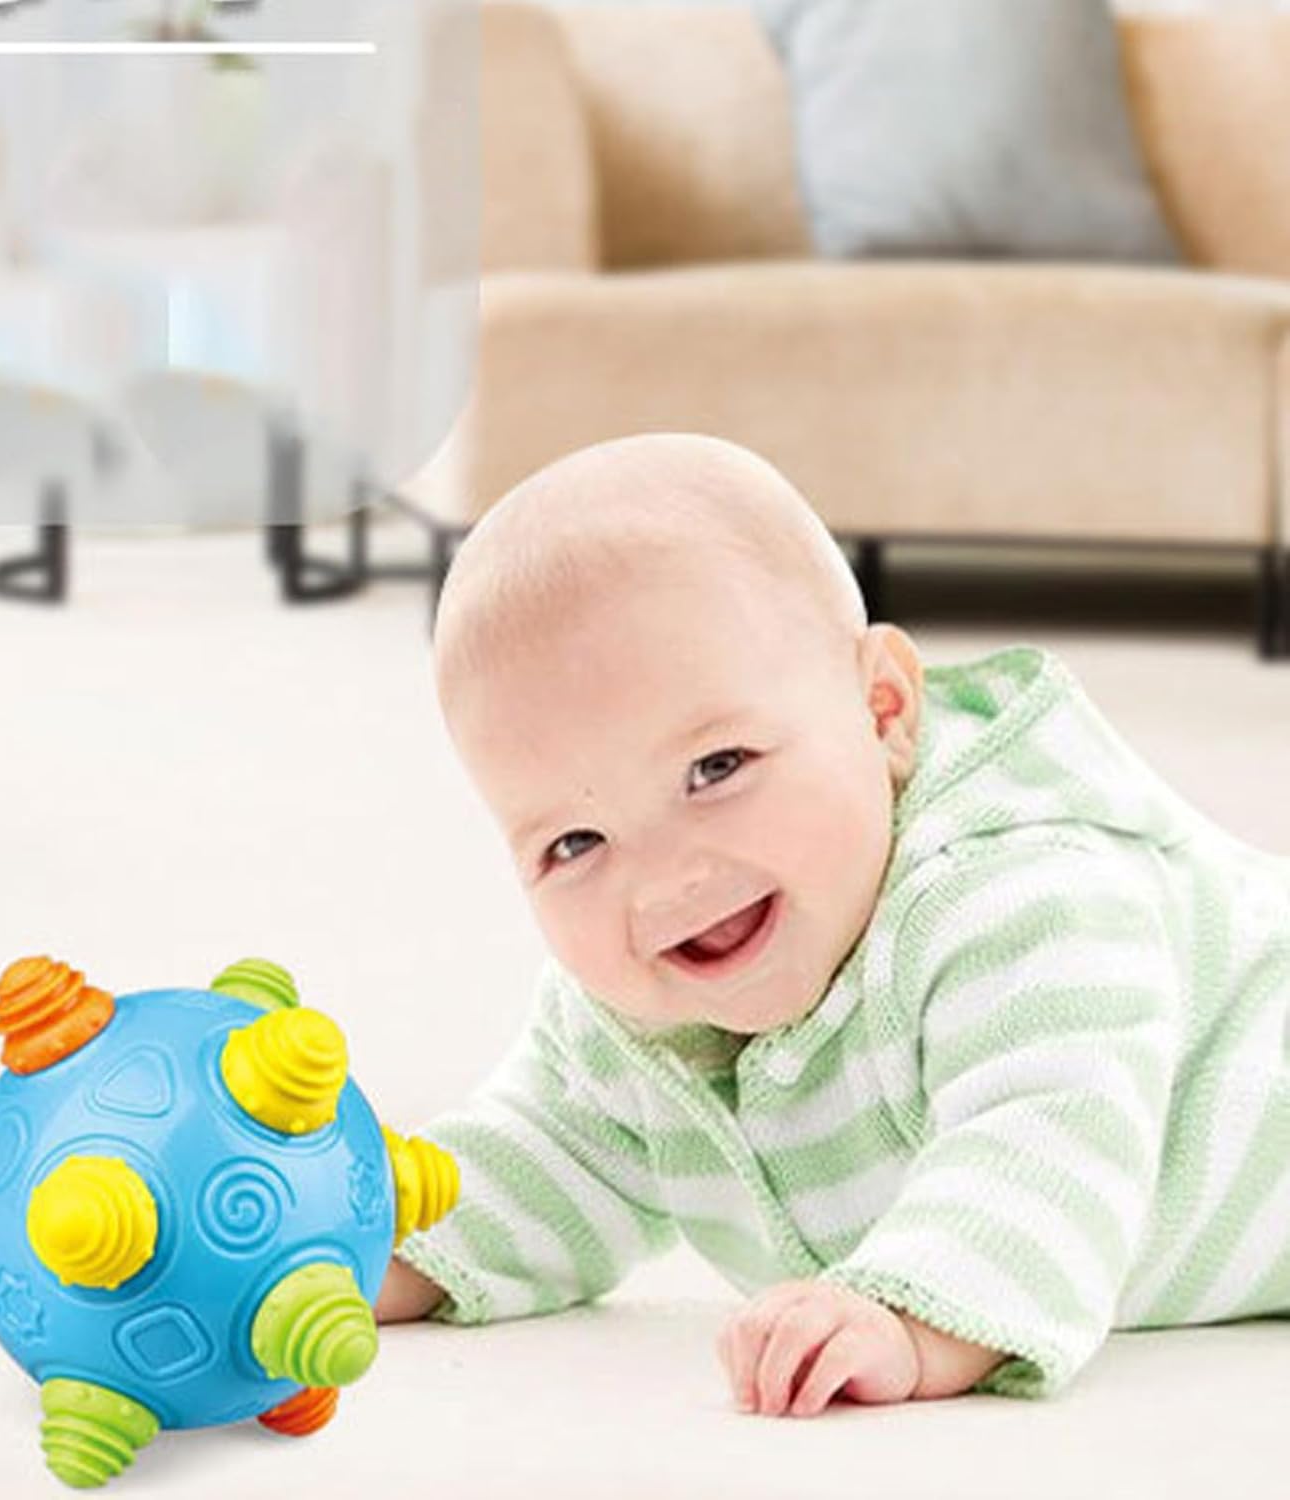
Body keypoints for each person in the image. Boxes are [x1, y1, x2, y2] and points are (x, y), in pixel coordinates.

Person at [372, 432, 1290, 1418]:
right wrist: (362, 1242)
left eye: (716, 768)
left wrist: (908, 1313)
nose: (666, 881)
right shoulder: (630, 1018)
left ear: (882, 709)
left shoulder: (1023, 896)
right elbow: (549, 1158)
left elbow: (1050, 1131)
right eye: (575, 843)